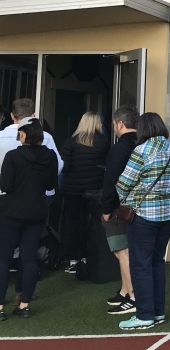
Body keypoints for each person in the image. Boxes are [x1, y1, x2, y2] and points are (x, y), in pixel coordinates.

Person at [115, 113, 170, 330]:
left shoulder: (141, 151)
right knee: (157, 261)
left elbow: (124, 183)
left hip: (144, 214)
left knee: (140, 263)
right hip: (169, 213)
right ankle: (158, 312)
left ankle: (144, 315)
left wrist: (126, 199)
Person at [0, 120, 59, 321]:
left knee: (4, 258)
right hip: (36, 211)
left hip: (11, 212)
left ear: (24, 135)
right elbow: (51, 183)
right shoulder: (49, 156)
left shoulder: (13, 156)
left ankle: (0, 307)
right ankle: (25, 304)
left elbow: (6, 185)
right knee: (29, 257)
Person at [59, 111, 110, 277]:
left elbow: (64, 167)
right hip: (94, 190)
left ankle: (73, 260)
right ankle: (88, 257)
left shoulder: (71, 142)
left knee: (73, 224)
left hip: (73, 189)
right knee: (91, 225)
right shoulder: (103, 142)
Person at [101, 106, 140, 315]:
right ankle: (125, 291)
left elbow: (112, 181)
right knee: (125, 250)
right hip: (139, 206)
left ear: (120, 124)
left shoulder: (118, 149)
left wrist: (107, 207)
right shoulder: (143, 145)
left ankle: (133, 295)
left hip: (119, 207)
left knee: (121, 251)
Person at [0, 98, 63, 196]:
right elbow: (57, 166)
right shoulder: (45, 137)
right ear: (33, 115)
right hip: (39, 194)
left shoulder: (1, 136)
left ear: (12, 116)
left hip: (4, 193)